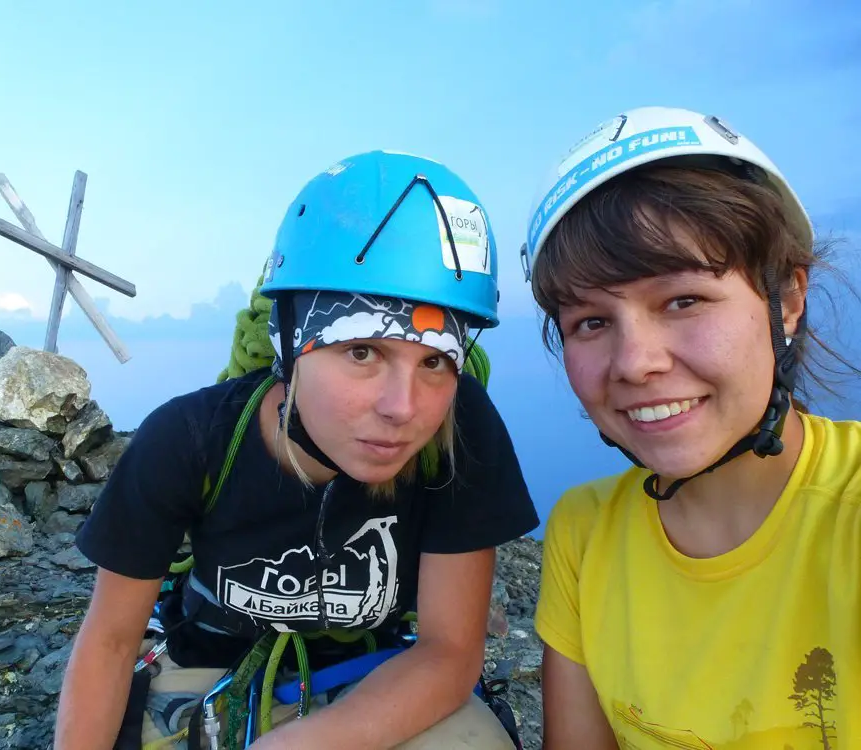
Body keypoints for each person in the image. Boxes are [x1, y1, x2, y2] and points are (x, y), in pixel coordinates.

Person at [54, 149, 541, 749]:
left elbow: (449, 651)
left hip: (379, 676)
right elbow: (109, 640)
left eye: (437, 361)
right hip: (208, 670)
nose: (403, 407)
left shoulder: (460, 430)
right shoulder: (189, 439)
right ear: (288, 341)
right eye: (361, 352)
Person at [520, 105, 861, 749]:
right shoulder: (584, 534)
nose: (635, 363)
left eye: (683, 300)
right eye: (590, 321)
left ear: (786, 301)